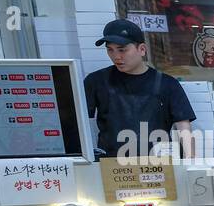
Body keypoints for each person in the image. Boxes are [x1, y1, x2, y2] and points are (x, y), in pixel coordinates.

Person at [83, 19, 194, 159]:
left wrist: (191, 165)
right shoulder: (96, 81)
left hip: (158, 166)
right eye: (110, 50)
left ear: (142, 49)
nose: (116, 56)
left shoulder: (167, 84)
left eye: (122, 50)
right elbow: (79, 125)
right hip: (113, 169)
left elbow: (183, 127)